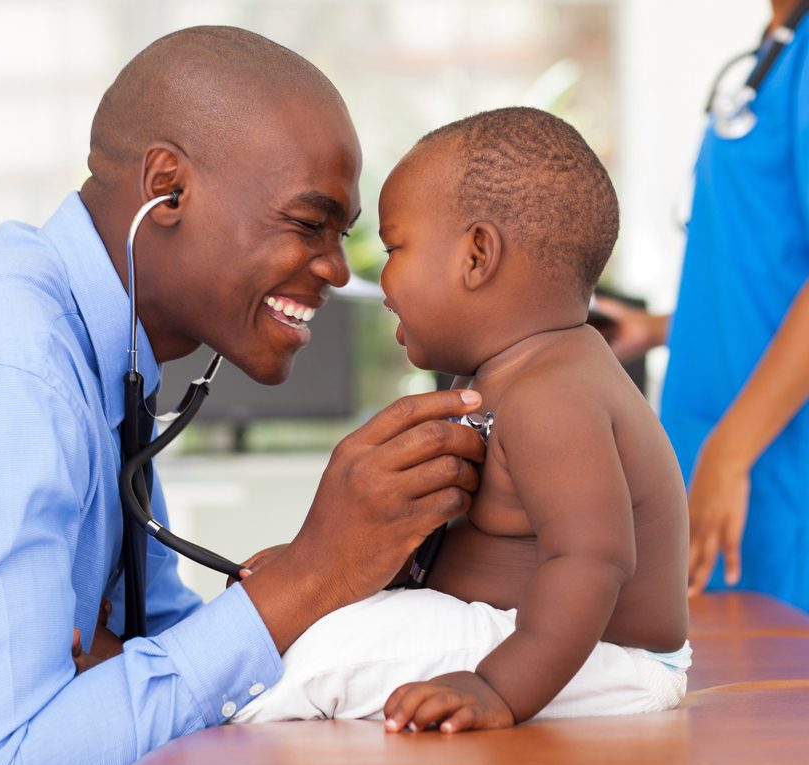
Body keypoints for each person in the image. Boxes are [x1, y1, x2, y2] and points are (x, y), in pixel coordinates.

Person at [0, 27, 486, 765]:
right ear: (168, 190)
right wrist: (309, 577)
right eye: (307, 222)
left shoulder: (103, 362)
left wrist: (320, 585)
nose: (332, 265)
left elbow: (149, 653)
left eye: (342, 234)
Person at [233, 107, 691, 733]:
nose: (378, 278)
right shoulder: (495, 379)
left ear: (477, 255)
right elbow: (443, 539)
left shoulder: (554, 396)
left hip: (592, 657)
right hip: (528, 638)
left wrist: (496, 687)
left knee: (321, 658)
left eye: (394, 247)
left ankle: (176, 706)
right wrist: (315, 575)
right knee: (309, 625)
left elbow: (592, 561)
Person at [594, 0, 809, 611]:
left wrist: (732, 448)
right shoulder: (778, 45)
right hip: (717, 440)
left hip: (771, 458)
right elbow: (765, 259)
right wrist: (660, 328)